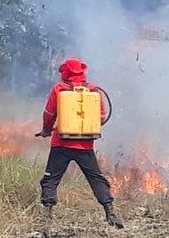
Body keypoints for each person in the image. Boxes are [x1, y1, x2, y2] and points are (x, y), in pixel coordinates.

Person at [37, 57, 124, 228]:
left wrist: (46, 130)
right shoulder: (93, 90)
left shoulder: (59, 89)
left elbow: (49, 114)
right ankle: (110, 213)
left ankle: (47, 216)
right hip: (85, 145)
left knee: (51, 179)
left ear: (65, 72)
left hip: (61, 144)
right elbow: (100, 116)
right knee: (96, 178)